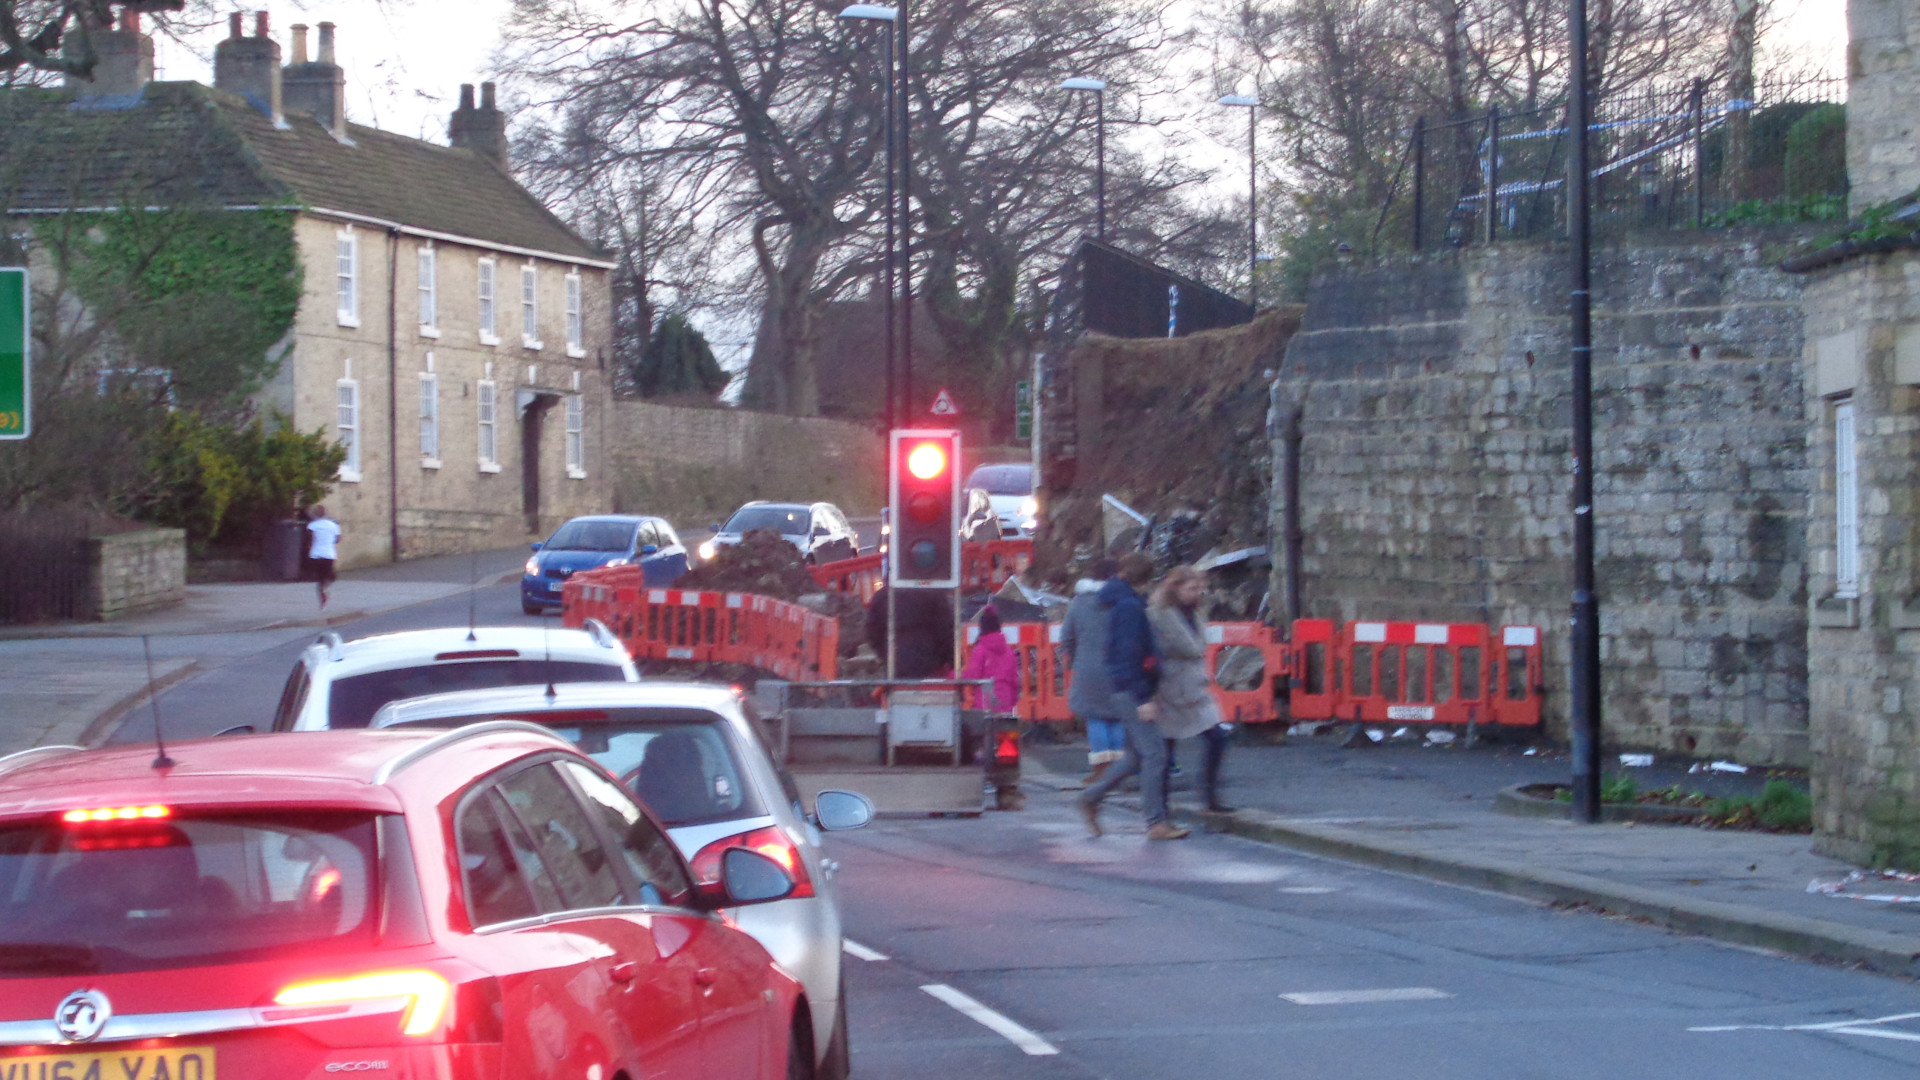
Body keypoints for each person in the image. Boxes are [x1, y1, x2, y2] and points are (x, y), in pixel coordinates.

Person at [1078, 553, 1188, 840]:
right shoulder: (1129, 607)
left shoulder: (1119, 602)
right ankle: (1155, 822)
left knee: (1136, 757)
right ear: (1146, 580)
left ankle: (1090, 798)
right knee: (1155, 754)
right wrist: (1143, 698)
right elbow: (1129, 654)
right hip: (1132, 691)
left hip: (1124, 689)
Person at [1149, 565, 1234, 813]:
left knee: (1217, 736)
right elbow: (1184, 648)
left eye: (1199, 588)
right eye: (1191, 588)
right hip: (1169, 686)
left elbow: (1196, 647)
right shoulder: (1158, 614)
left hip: (1195, 686)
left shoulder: (1194, 612)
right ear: (1175, 588)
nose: (1197, 593)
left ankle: (1210, 796)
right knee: (1166, 748)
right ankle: (1159, 807)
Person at [1060, 557, 1124, 786]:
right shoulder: (1124, 600)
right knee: (1117, 717)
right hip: (1120, 668)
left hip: (1088, 667)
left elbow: (1066, 636)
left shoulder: (1080, 602)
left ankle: (1100, 770)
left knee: (1095, 717)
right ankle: (1119, 770)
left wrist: (1074, 660)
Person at [961, 606, 1025, 811]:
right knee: (1007, 747)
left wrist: (955, 676)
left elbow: (972, 676)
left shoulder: (980, 649)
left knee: (982, 746)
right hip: (1005, 704)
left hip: (985, 705)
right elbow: (1016, 680)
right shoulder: (1008, 650)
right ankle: (1007, 792)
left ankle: (976, 786)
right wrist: (1013, 701)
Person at [864, 582, 955, 678]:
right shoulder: (933, 592)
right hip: (930, 662)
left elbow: (873, 632)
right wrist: (950, 660)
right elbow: (946, 631)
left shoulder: (882, 596)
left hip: (895, 661)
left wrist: (884, 654)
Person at [306, 505, 341, 609]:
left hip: (315, 554)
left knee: (320, 577)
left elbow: (309, 540)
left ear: (315, 514)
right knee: (331, 576)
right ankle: (325, 589)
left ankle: (322, 597)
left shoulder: (312, 525)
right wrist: (330, 541)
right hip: (329, 553)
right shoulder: (333, 525)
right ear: (325, 513)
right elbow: (338, 539)